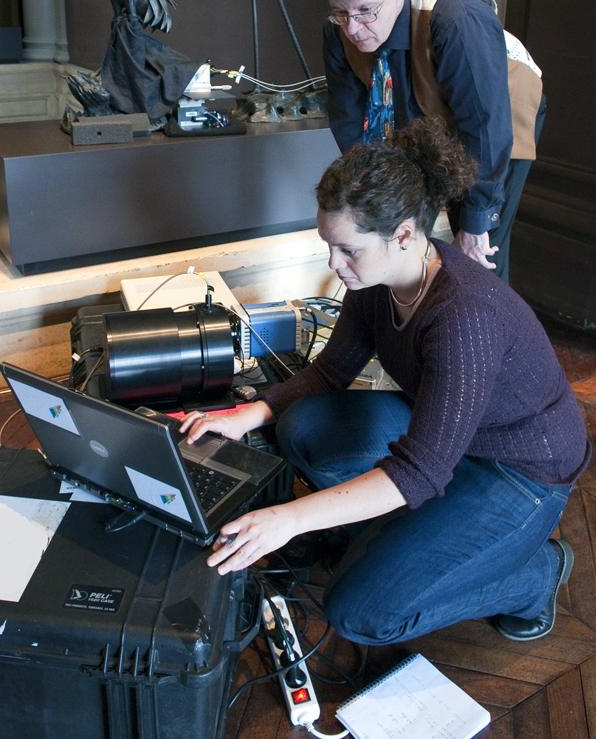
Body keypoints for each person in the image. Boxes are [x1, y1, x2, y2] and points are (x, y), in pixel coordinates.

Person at [180, 119, 590, 646]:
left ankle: (536, 575)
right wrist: (247, 413)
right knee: (304, 424)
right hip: (448, 440)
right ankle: (390, 537)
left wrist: (287, 519)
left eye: (348, 249)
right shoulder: (377, 281)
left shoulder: (464, 316)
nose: (334, 263)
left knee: (360, 613)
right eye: (329, 245)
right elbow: (330, 372)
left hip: (520, 469)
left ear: (402, 235)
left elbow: (418, 472)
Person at [321, 0, 545, 282]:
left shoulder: (456, 19)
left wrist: (474, 225)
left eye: (365, 12)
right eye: (341, 14)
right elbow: (349, 121)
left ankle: (481, 330)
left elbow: (484, 128)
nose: (352, 27)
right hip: (425, 110)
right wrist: (368, 197)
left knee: (476, 252)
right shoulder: (342, 26)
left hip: (498, 111)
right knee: (398, 237)